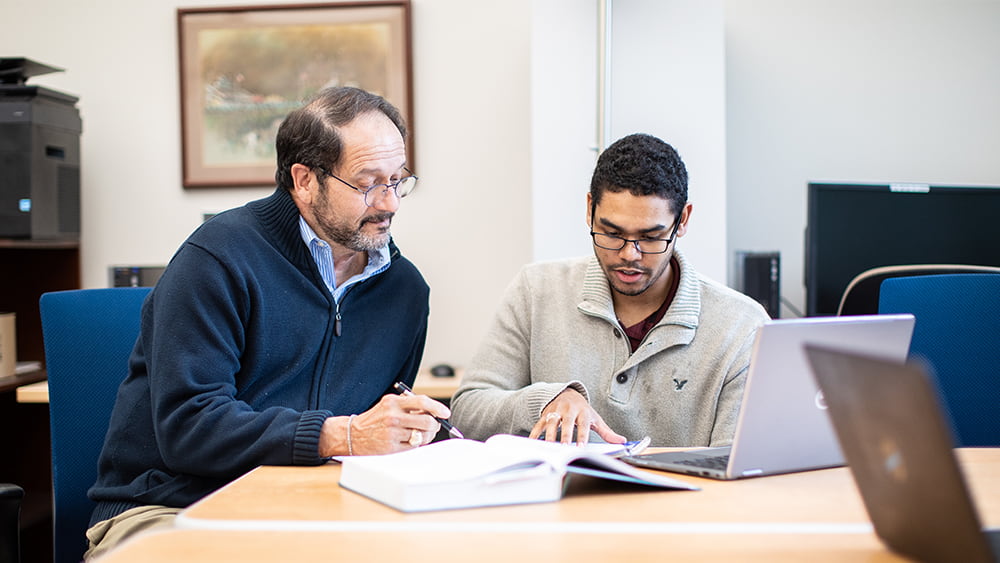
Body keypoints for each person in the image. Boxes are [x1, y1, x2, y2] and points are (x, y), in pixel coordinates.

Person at [83, 86, 449, 559]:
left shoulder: (404, 291)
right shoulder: (218, 258)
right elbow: (190, 428)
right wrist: (344, 433)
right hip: (168, 509)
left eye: (397, 180)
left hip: (311, 511)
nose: (390, 203)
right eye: (367, 183)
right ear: (304, 180)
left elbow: (376, 428)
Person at [450, 133, 770, 447]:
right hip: (558, 499)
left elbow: (738, 468)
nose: (629, 254)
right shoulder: (536, 291)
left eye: (650, 237)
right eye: (611, 233)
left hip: (683, 500)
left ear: (682, 220)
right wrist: (545, 401)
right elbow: (467, 412)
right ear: (590, 210)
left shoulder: (742, 326)